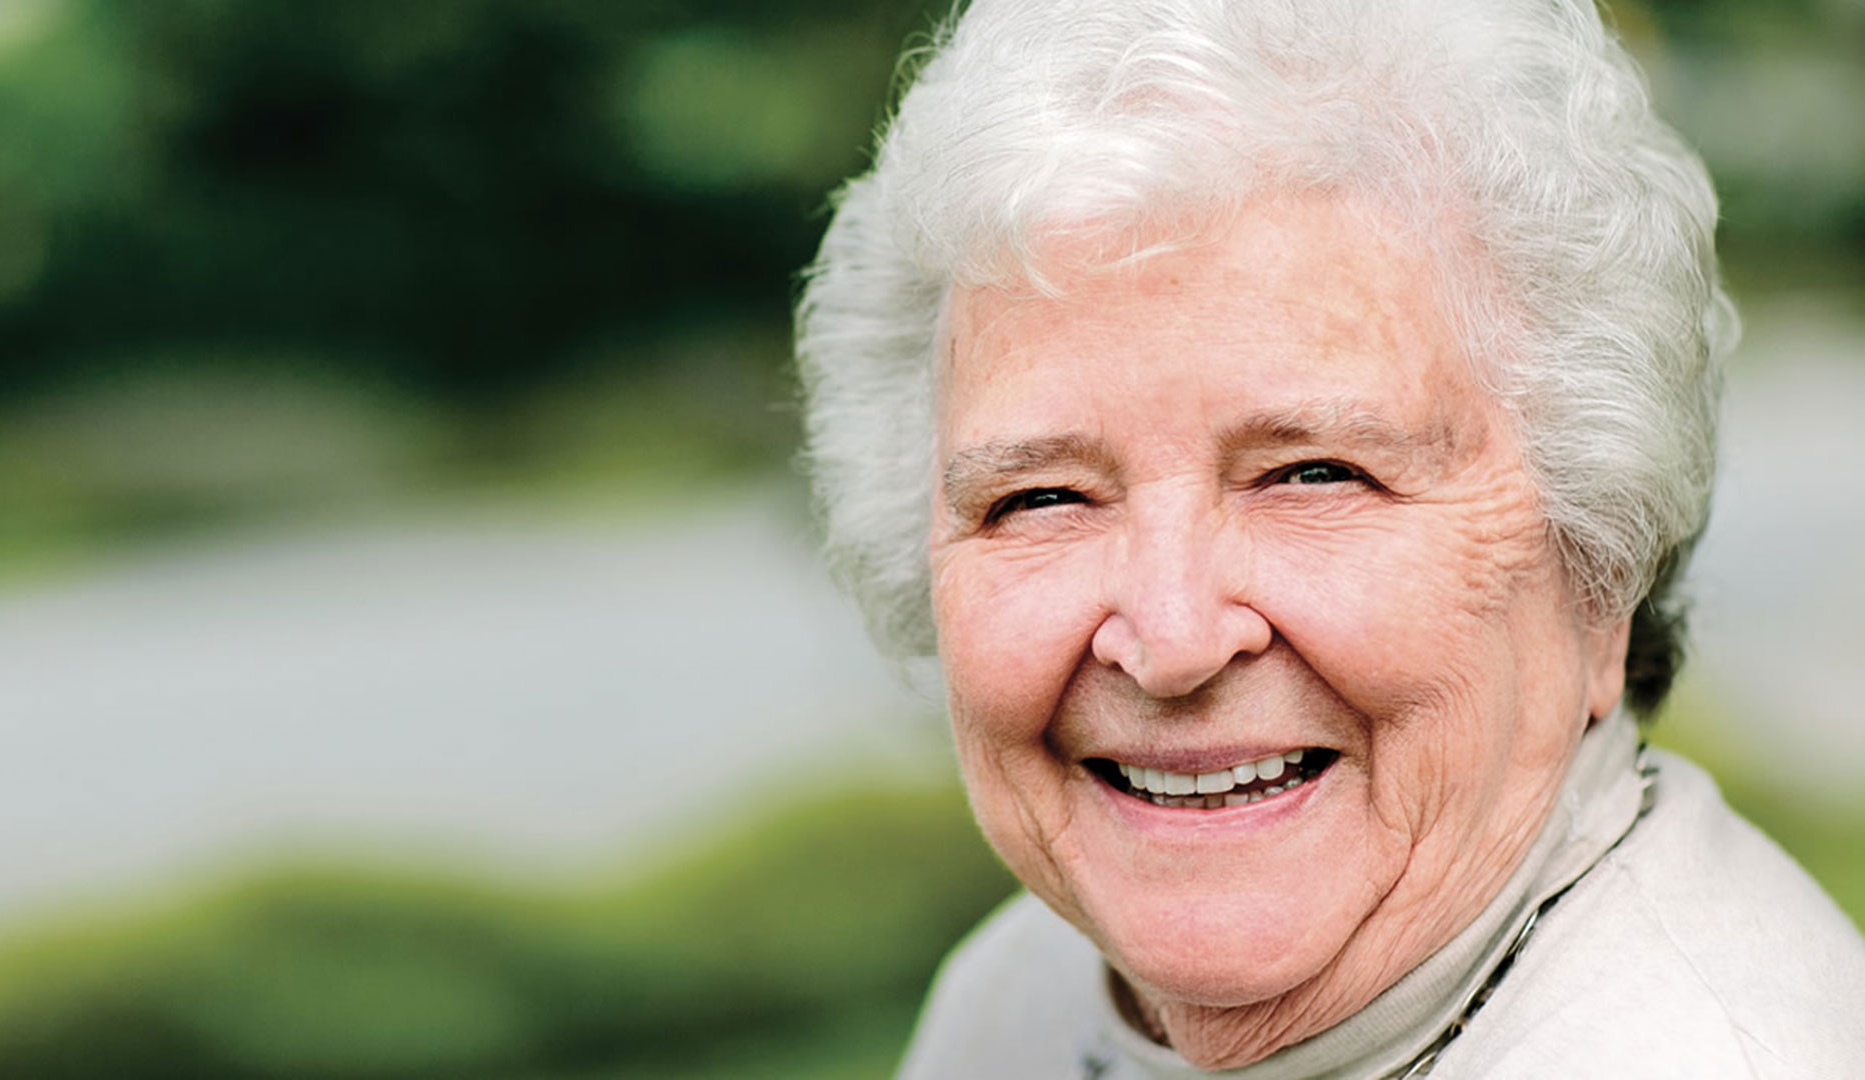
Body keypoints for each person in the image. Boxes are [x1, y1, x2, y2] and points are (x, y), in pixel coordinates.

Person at [794, 0, 1865, 1076]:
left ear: (1598, 575)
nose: (1171, 640)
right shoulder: (1011, 1006)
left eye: (1314, 475)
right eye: (1042, 498)